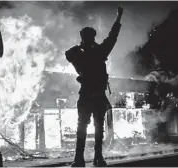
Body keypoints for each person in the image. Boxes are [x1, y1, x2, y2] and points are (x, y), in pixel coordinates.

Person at [65, 5, 123, 167]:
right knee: (89, 127)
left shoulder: (94, 51)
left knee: (89, 127)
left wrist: (118, 19)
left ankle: (86, 158)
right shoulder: (91, 52)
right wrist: (118, 18)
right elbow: (69, 55)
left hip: (92, 94)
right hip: (92, 93)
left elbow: (112, 37)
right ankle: (86, 158)